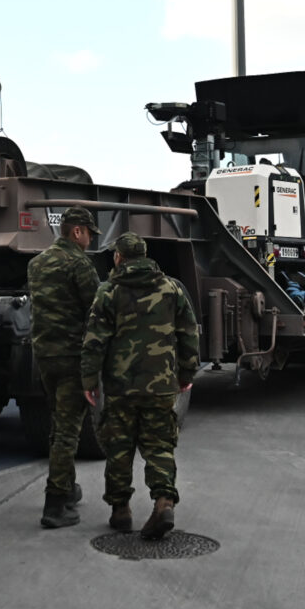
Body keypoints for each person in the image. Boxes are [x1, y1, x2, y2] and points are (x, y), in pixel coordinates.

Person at [81, 231, 199, 540]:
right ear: (146, 256)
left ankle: (120, 511)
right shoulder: (172, 288)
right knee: (159, 446)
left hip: (120, 387)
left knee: (119, 447)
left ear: (118, 257)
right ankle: (164, 501)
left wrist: (89, 380)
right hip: (161, 385)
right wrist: (187, 374)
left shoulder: (108, 292)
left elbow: (95, 341)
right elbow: (189, 333)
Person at [26, 206, 100, 528]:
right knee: (68, 433)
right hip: (72, 359)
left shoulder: (36, 264)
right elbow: (96, 314)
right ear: (77, 232)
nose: (89, 241)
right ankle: (55, 505)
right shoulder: (80, 265)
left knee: (58, 424)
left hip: (44, 356)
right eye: (89, 234)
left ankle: (67, 489)